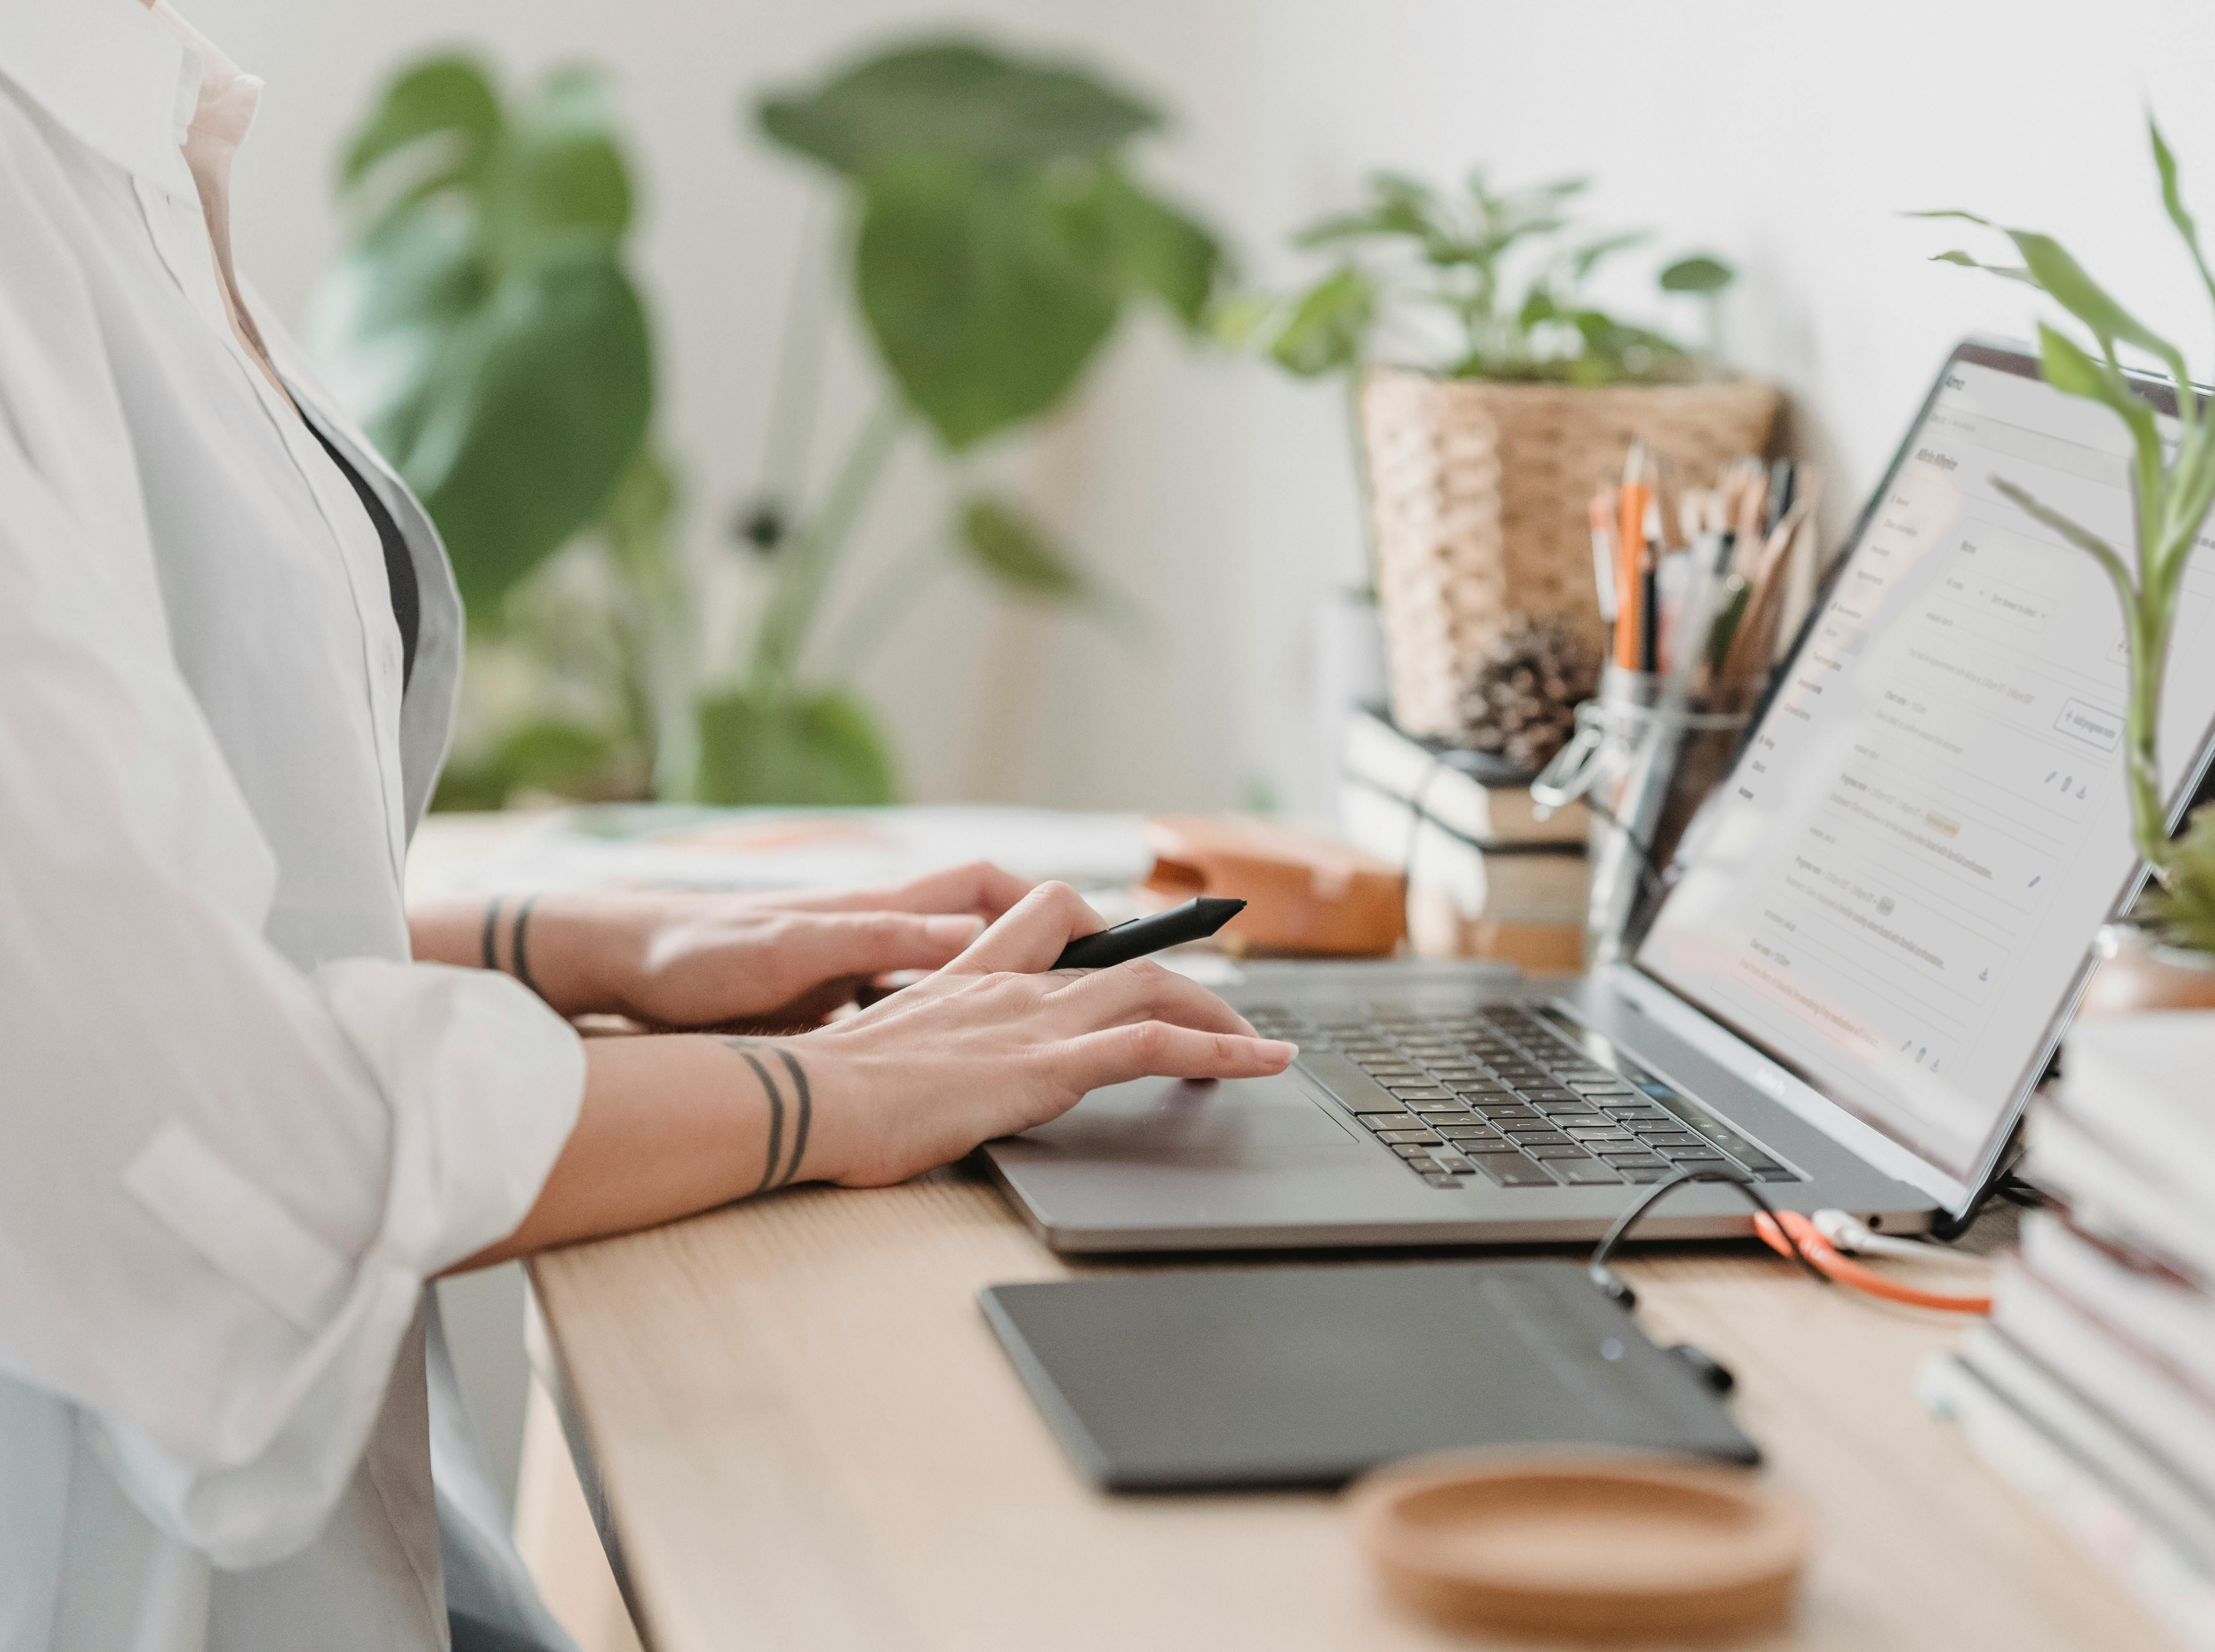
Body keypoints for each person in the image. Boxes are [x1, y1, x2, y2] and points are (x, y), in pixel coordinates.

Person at [0, 6, 1295, 1650]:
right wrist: (839, 1088)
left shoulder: (116, 97)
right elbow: (206, 1154)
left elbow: (96, 933)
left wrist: (581, 944)